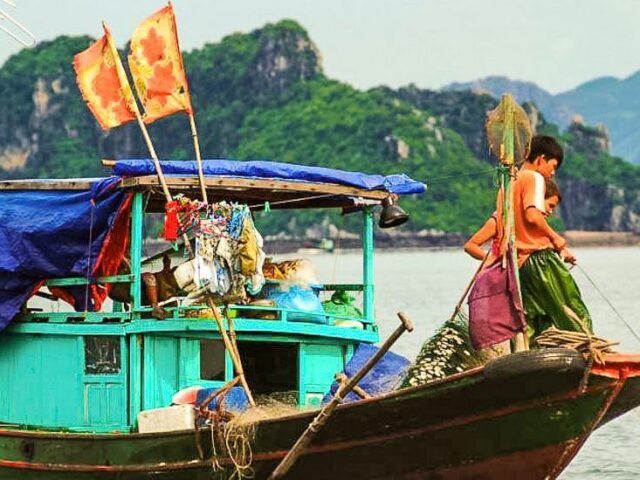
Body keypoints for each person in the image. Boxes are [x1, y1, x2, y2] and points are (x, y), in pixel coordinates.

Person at [493, 135, 592, 343]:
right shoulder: (534, 178)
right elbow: (532, 215)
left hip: (518, 264)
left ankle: (532, 362)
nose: (553, 172)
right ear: (541, 159)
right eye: (553, 165)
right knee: (570, 307)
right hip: (539, 261)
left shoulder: (508, 184)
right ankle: (590, 351)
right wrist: (557, 239)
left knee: (534, 320)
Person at [464, 178, 562, 262]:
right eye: (550, 206)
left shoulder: (536, 225)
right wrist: (493, 261)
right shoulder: (501, 219)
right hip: (505, 278)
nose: (550, 211)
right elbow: (471, 246)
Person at [109, 254, 181, 319]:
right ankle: (155, 307)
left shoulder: (125, 256)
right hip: (122, 287)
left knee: (152, 278)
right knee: (149, 278)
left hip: (129, 284)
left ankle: (155, 307)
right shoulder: (117, 256)